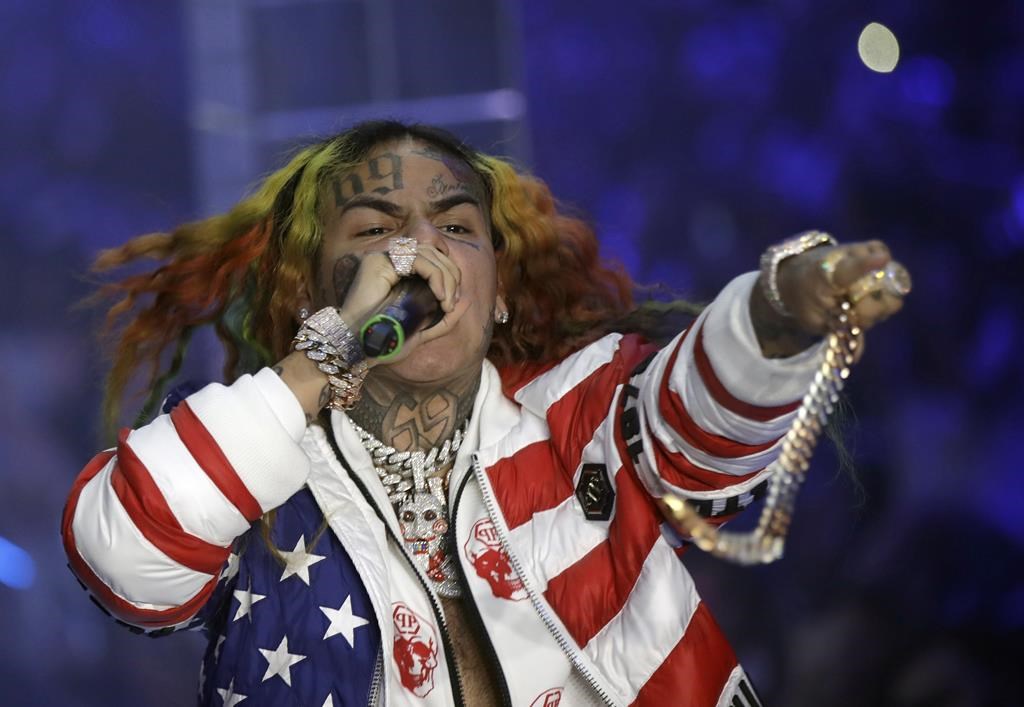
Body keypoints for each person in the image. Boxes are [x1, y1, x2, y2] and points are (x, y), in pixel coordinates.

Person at [61, 120, 907, 706]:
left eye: (455, 225)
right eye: (376, 228)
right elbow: (124, 561)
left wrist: (774, 313)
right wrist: (333, 348)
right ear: (313, 289)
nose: (420, 251)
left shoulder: (582, 409)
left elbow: (701, 425)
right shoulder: (251, 465)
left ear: (497, 294)